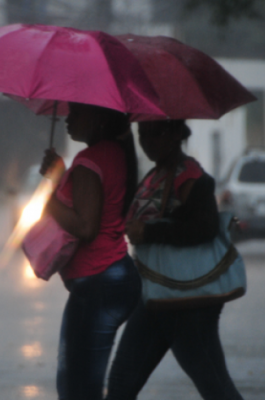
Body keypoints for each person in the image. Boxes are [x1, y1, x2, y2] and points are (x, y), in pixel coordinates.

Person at [105, 119, 244, 400]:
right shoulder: (155, 175)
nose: (147, 141)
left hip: (187, 302)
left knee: (215, 387)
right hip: (155, 295)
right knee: (120, 384)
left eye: (155, 133)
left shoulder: (191, 177)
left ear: (176, 133)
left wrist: (151, 231)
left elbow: (205, 227)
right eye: (141, 134)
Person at [39, 102, 142, 400]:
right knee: (85, 383)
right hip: (114, 276)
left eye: (77, 113)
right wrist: (60, 175)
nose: (68, 119)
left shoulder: (89, 160)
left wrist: (48, 198)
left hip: (98, 281)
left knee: (76, 388)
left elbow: (85, 227)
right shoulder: (116, 154)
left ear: (98, 118)